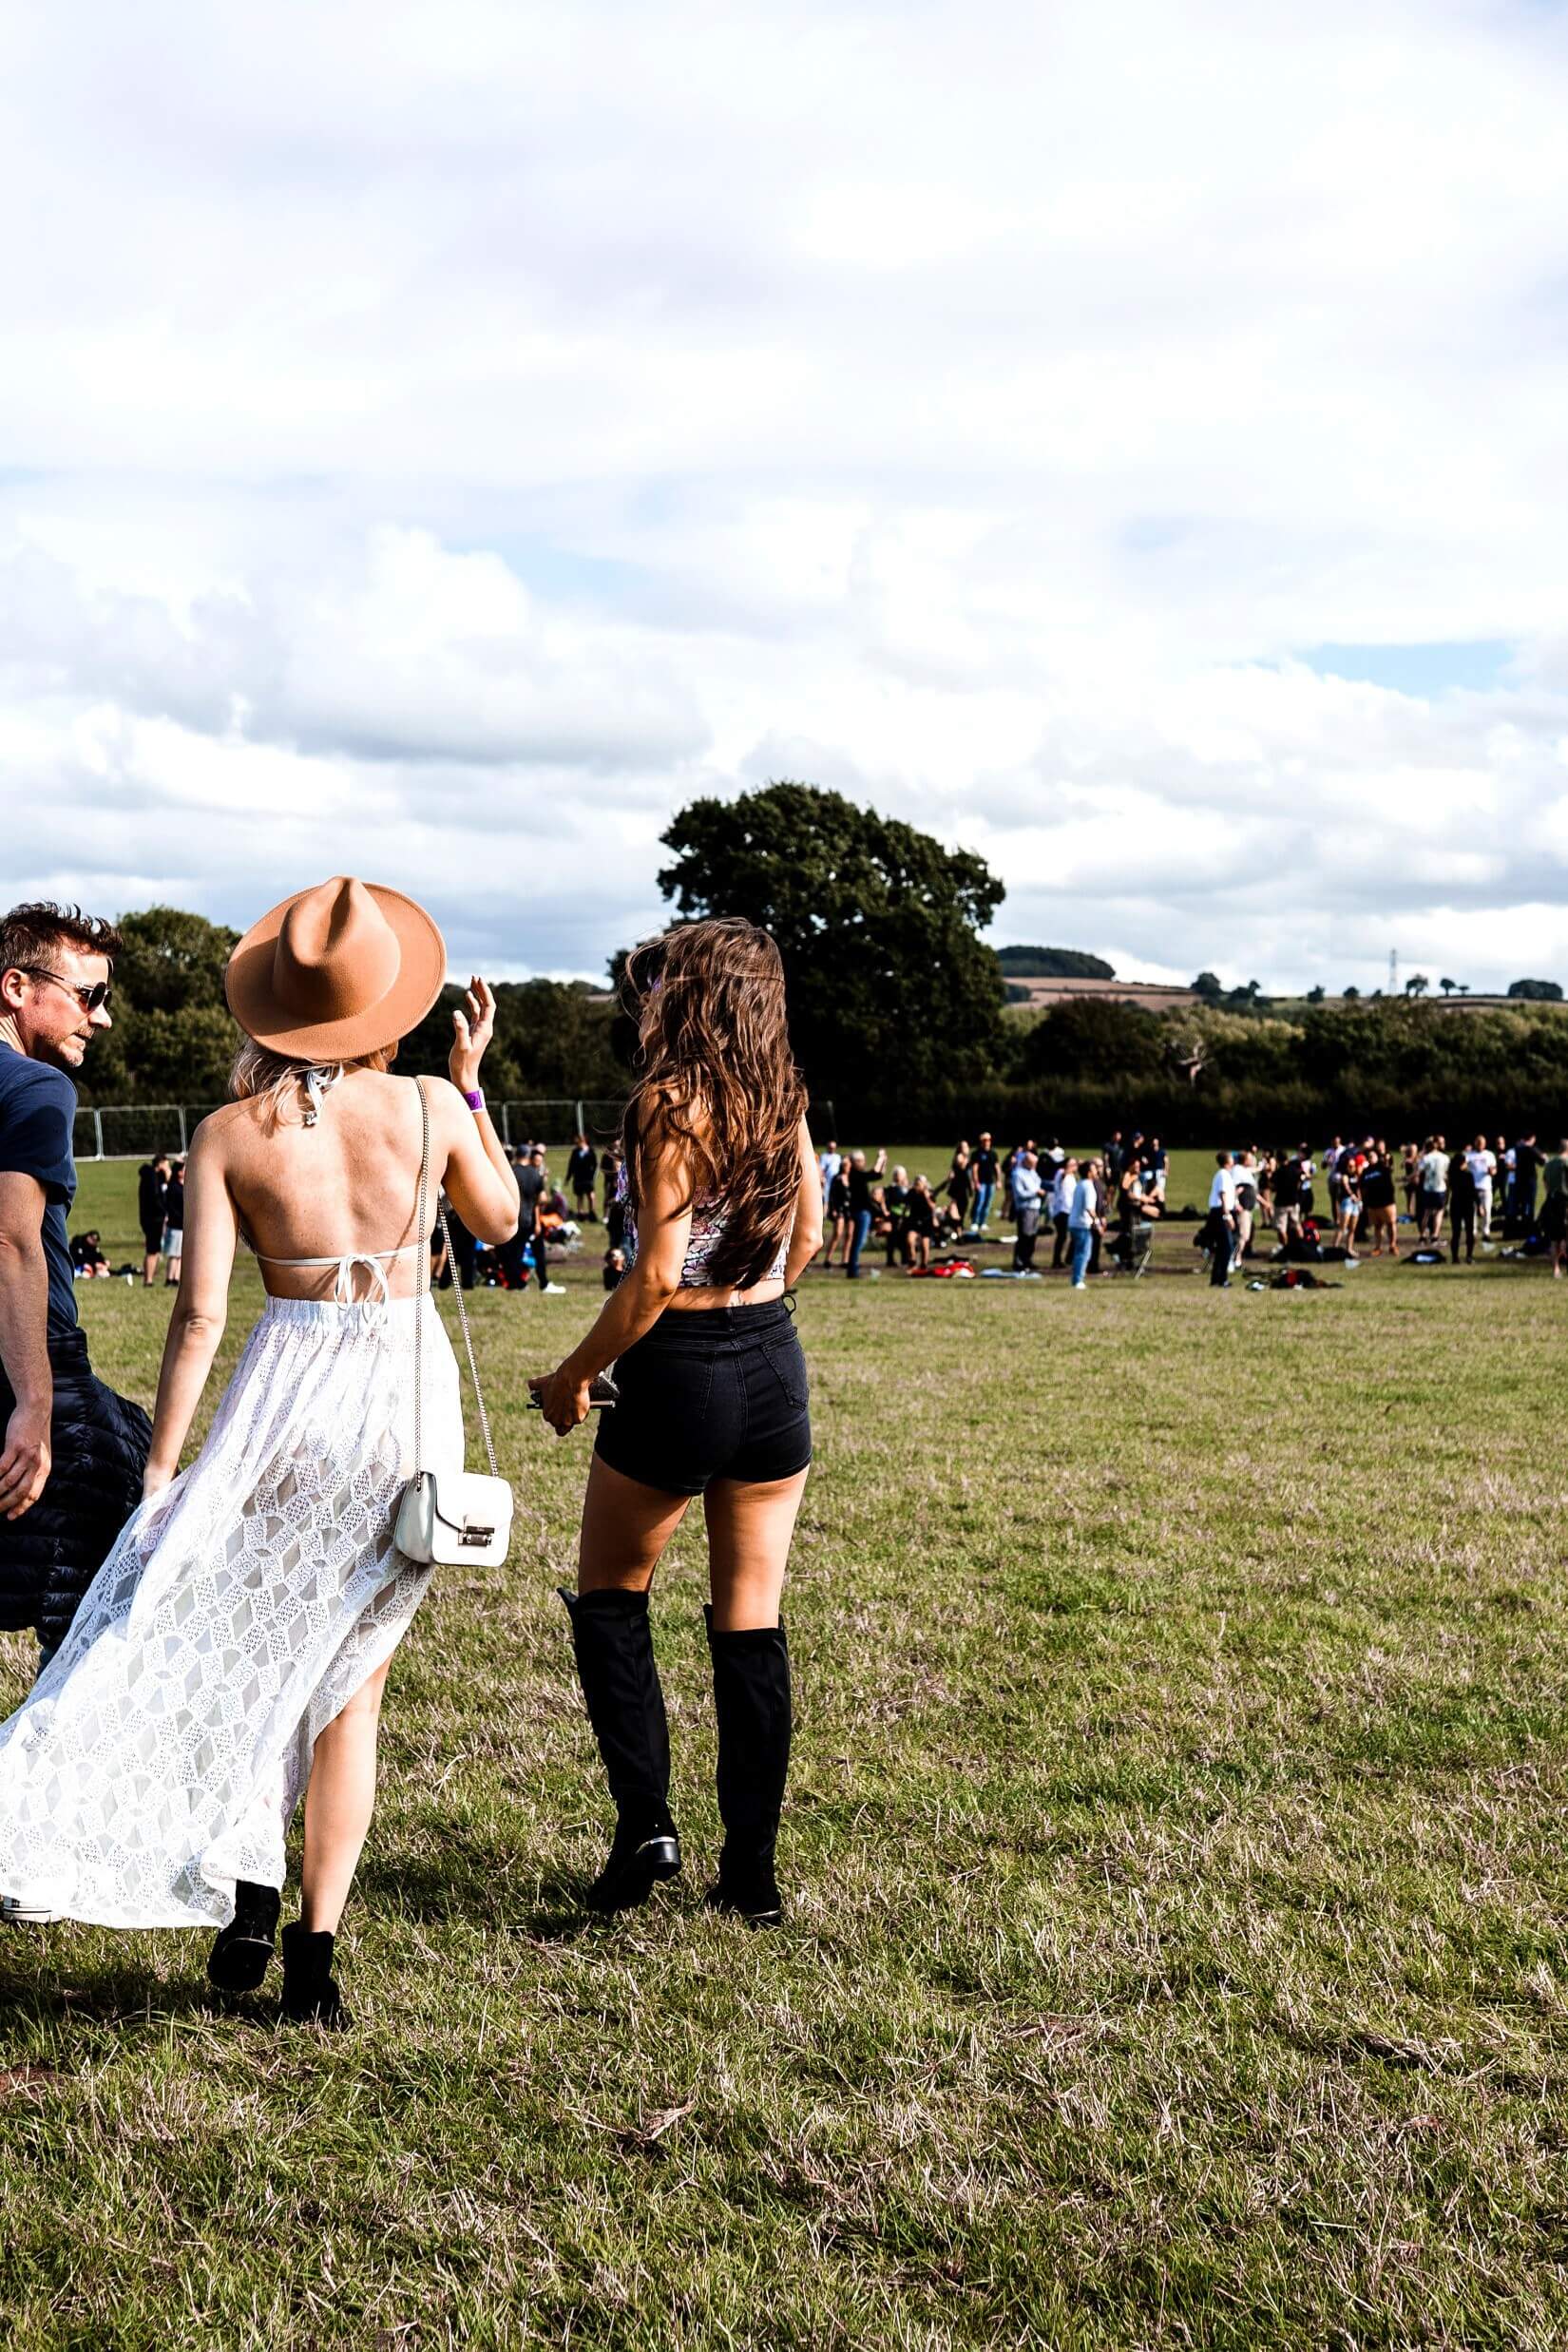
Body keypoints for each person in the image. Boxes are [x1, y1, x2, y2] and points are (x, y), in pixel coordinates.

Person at [0, 877, 520, 2026]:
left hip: (285, 1391)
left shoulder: (229, 1134)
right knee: (351, 1680)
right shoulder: (432, 1104)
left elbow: (197, 1321)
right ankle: (314, 1954)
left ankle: (246, 1879)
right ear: (385, 1000)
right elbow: (500, 1225)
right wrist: (471, 1080)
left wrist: (161, 1467)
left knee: (255, 1639)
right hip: (399, 1391)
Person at [531, 918, 820, 1928]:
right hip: (773, 1359)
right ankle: (753, 1876)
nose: (643, 999)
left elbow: (656, 1274)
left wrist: (575, 1374)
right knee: (752, 1620)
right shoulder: (783, 1094)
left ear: (689, 994)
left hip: (679, 1369)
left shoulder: (670, 1103)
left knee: (612, 1597)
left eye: (657, 983)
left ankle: (645, 1827)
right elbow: (810, 1234)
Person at [0, 903, 151, 1672]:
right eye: (88, 995)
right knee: (115, 1566)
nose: (103, 1017)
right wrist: (34, 1400)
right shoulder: (35, 1087)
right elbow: (14, 1238)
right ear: (16, 986)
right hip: (37, 1361)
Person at [519, 1143, 565, 1295]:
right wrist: (538, 1222)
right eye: (537, 1161)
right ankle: (539, 1283)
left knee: (528, 1252)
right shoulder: (533, 1176)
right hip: (530, 1219)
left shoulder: (528, 1174)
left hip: (527, 1218)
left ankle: (524, 1282)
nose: (539, 1164)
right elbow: (539, 1202)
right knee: (532, 1252)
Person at [844, 1147, 886, 1280]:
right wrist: (880, 1158)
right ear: (854, 1162)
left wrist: (883, 1161)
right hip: (861, 1213)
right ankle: (853, 1270)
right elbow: (874, 1173)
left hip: (861, 1212)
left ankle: (853, 1269)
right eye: (860, 1160)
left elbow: (878, 1175)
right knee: (859, 1242)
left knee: (857, 1242)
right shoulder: (855, 1174)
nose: (863, 1162)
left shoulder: (855, 1174)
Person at [1067, 1158, 1102, 1290]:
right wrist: (1098, 1223)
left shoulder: (1080, 1183)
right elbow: (1090, 1208)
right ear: (1089, 1172)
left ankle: (1076, 1278)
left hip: (1074, 1223)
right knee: (1084, 1253)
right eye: (1094, 1169)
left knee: (1079, 1252)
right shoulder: (1088, 1186)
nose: (1096, 1171)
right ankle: (1078, 1280)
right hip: (1082, 1224)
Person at [138, 1153, 170, 1286]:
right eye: (166, 1164)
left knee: (154, 1249)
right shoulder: (152, 1178)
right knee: (153, 1249)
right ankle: (149, 1280)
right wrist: (164, 1211)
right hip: (153, 1218)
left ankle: (149, 1277)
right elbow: (156, 1198)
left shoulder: (152, 1177)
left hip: (149, 1217)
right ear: (160, 1164)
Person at [1360, 1146, 1399, 1257]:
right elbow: (1362, 1188)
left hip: (1386, 1203)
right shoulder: (1365, 1172)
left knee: (1391, 1224)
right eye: (1368, 1157)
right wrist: (1364, 1201)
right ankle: (1378, 1247)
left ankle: (1393, 1245)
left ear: (1377, 1157)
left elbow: (1390, 1186)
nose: (1370, 1158)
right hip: (1372, 1204)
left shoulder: (1383, 1168)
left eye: (1372, 1156)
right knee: (1377, 1226)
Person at [1207, 1153, 1238, 1288]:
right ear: (1227, 1161)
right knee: (1227, 1247)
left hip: (1220, 1212)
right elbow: (1223, 1195)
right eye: (1231, 1157)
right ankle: (1222, 1279)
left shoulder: (1224, 1174)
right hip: (1221, 1213)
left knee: (1222, 1248)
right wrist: (1227, 1216)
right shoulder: (1224, 1174)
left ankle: (1216, 1279)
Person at [1011, 1150, 1042, 1271]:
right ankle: (1019, 1262)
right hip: (1025, 1209)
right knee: (1024, 1236)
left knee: (1032, 1236)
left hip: (1035, 1207)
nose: (1035, 1166)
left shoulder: (1033, 1173)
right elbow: (1020, 1193)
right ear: (1026, 1162)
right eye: (1033, 1163)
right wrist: (1035, 1192)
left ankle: (1028, 1260)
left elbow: (1038, 1184)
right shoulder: (1018, 1174)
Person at [1541, 1140, 1568, 1280]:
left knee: (1554, 1238)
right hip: (1565, 1201)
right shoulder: (1566, 1162)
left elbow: (1544, 1181)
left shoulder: (1550, 1163)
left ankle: (1555, 1270)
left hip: (1551, 1201)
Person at [1417, 1135, 1450, 1243]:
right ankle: (1435, 1236)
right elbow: (1447, 1174)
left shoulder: (1426, 1158)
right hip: (1440, 1189)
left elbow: (1418, 1171)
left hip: (1428, 1189)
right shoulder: (1445, 1157)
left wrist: (1407, 1178)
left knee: (1426, 1212)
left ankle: (1422, 1236)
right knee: (1439, 1213)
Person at [1448, 1148, 1477, 1265]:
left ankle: (1455, 1257)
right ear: (1463, 1163)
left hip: (1455, 1204)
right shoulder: (1468, 1175)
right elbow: (1473, 1192)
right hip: (1468, 1205)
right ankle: (1469, 1256)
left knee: (1456, 1232)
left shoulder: (1452, 1175)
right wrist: (1479, 1205)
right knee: (1469, 1232)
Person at [1049, 1156, 1078, 1270]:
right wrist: (1069, 1168)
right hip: (1061, 1210)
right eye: (1071, 1164)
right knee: (1062, 1236)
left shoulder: (1072, 1177)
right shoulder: (1061, 1172)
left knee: (1072, 1236)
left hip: (1070, 1210)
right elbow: (1062, 1175)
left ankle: (1068, 1259)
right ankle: (1056, 1261)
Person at [162, 1158, 186, 1286]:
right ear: (179, 1172)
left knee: (180, 1255)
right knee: (174, 1255)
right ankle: (169, 1278)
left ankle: (176, 1278)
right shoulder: (174, 1188)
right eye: (183, 1169)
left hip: (181, 1226)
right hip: (176, 1226)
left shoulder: (182, 1186)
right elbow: (172, 1207)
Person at [904, 1174, 936, 1270]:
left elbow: (933, 1207)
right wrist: (903, 1218)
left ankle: (923, 1265)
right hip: (914, 1220)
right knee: (910, 1240)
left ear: (924, 1185)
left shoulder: (930, 1193)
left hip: (926, 1221)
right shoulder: (911, 1193)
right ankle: (912, 1260)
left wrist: (927, 1197)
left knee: (924, 1244)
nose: (917, 1186)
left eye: (919, 1184)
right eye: (916, 1183)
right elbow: (906, 1205)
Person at [971, 1133, 999, 1232]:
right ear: (981, 1141)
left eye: (989, 1140)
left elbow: (997, 1167)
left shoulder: (993, 1153)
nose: (987, 1142)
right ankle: (974, 1222)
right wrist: (976, 1182)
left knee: (988, 1203)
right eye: (985, 1140)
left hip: (990, 1182)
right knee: (979, 1202)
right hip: (981, 1182)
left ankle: (983, 1222)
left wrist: (998, 1180)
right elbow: (974, 1169)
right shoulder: (977, 1153)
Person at [567, 1134, 599, 1221]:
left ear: (583, 1141)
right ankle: (580, 1214)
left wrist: (593, 1175)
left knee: (591, 1196)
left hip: (588, 1178)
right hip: (578, 1178)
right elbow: (571, 1165)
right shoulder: (575, 1152)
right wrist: (568, 1177)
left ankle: (592, 1213)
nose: (577, 1144)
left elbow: (596, 1164)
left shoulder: (591, 1151)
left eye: (578, 1142)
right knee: (579, 1196)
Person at [947, 1143, 972, 1233]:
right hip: (957, 1186)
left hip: (963, 1184)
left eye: (967, 1146)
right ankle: (957, 1225)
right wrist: (966, 1157)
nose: (967, 1148)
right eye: (964, 1147)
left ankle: (959, 1224)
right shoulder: (959, 1156)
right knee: (959, 1206)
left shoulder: (965, 1157)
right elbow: (962, 1167)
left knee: (964, 1205)